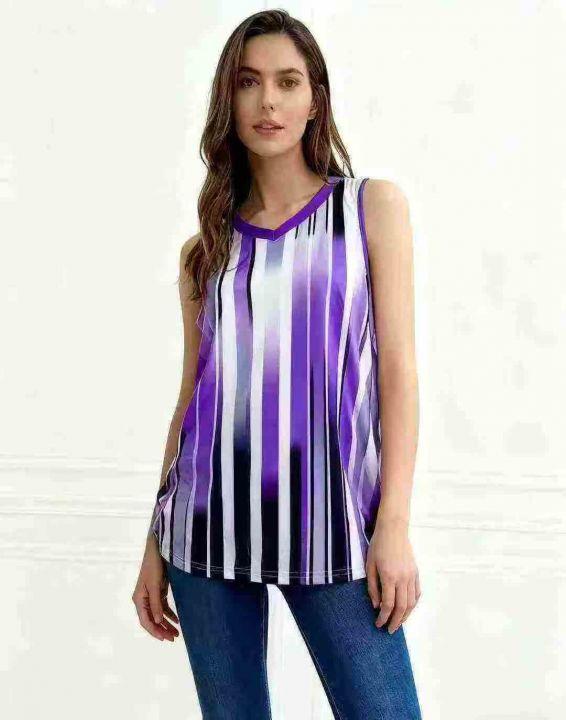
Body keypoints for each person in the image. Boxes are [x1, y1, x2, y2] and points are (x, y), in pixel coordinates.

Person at [132, 9, 422, 720]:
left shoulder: (369, 209)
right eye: (248, 82)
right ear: (227, 101)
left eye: (288, 82)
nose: (268, 101)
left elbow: (398, 371)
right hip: (205, 530)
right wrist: (153, 541)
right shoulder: (205, 251)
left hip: (334, 528)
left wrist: (393, 524)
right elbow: (192, 399)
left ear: (315, 98)